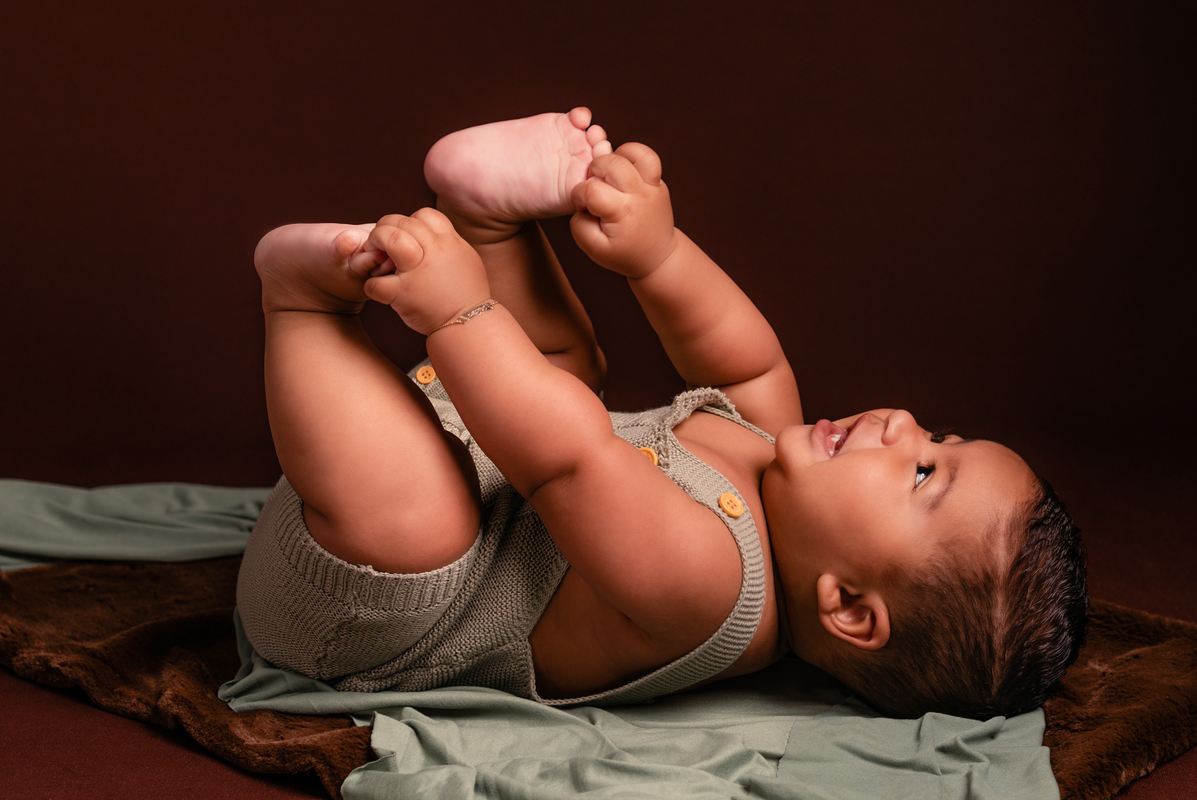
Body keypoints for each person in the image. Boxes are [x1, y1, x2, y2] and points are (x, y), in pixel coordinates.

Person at [237, 108, 1087, 719]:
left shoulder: (711, 588)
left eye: (924, 472)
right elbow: (742, 356)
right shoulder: (775, 449)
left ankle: (305, 306)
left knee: (428, 514)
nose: (903, 423)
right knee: (572, 370)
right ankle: (486, 216)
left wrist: (460, 317)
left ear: (850, 608)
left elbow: (566, 460)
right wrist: (657, 251)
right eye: (939, 436)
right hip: (483, 439)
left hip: (377, 607)